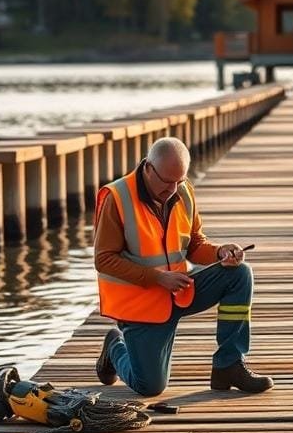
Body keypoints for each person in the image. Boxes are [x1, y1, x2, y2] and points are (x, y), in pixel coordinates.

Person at [92, 136, 273, 396]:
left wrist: (220, 252)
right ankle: (114, 347)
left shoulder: (182, 190)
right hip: (140, 305)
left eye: (179, 181)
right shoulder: (117, 198)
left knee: (239, 274)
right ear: (148, 168)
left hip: (179, 290)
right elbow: (104, 259)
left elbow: (194, 245)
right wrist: (157, 278)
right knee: (150, 387)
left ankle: (228, 365)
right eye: (167, 182)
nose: (173, 189)